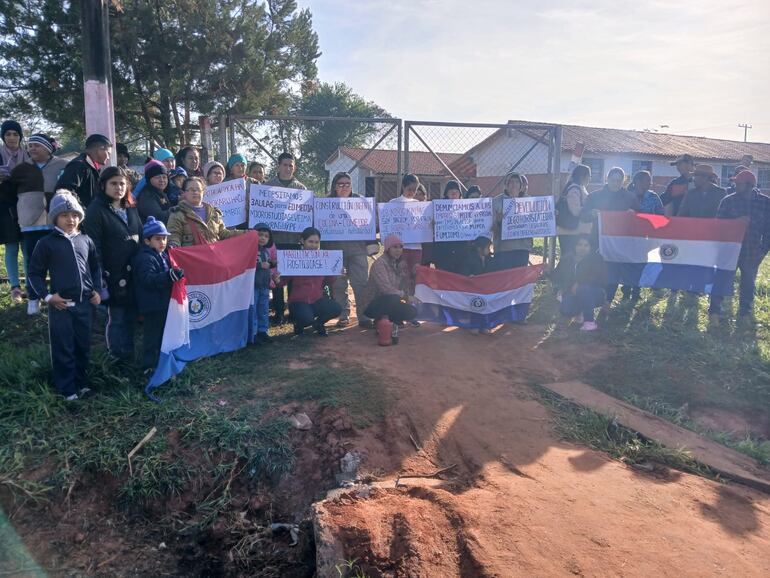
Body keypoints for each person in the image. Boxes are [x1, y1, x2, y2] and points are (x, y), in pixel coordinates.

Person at [28, 192, 102, 400]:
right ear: (55, 218)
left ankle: (82, 382)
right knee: (64, 347)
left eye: (74, 215)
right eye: (64, 215)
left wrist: (96, 289)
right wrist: (47, 296)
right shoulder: (46, 243)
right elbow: (34, 273)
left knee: (83, 345)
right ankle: (67, 389)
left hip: (84, 305)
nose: (70, 220)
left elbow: (95, 267)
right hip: (62, 306)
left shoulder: (86, 240)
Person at [82, 166, 142, 363]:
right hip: (112, 274)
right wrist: (100, 276)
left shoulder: (131, 208)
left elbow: (140, 235)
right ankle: (116, 358)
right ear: (103, 185)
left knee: (131, 316)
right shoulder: (95, 211)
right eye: (113, 183)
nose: (118, 188)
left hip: (133, 272)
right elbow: (94, 247)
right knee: (116, 318)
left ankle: (129, 357)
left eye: (122, 184)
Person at [13, 133, 68, 313]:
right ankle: (34, 298)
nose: (32, 149)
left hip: (55, 222)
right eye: (30, 146)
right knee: (32, 262)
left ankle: (57, 296)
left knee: (57, 260)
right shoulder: (22, 168)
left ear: (48, 148)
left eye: (36, 145)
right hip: (30, 223)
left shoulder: (63, 165)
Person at [707, 170, 770, 323]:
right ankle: (715, 311)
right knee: (721, 279)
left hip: (752, 251)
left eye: (738, 183)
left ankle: (745, 313)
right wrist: (736, 221)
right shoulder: (728, 201)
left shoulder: (765, 202)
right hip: (729, 251)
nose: (734, 185)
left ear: (749, 185)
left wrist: (763, 251)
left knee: (748, 283)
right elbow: (718, 225)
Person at [132, 216, 184, 373]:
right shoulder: (145, 258)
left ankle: (160, 363)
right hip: (152, 306)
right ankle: (148, 366)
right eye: (158, 239)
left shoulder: (164, 255)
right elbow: (147, 280)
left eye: (164, 239)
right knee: (151, 338)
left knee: (162, 335)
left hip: (162, 304)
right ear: (147, 241)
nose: (162, 242)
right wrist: (169, 276)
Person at [580, 167, 639, 304]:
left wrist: (633, 214)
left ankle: (608, 300)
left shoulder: (630, 197)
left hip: (619, 242)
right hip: (597, 240)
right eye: (613, 180)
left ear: (623, 181)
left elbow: (639, 218)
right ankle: (594, 299)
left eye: (619, 181)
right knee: (596, 269)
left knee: (614, 271)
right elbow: (583, 216)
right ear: (607, 179)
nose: (616, 183)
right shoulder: (595, 196)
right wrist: (591, 214)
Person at [323, 172, 372, 328]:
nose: (344, 187)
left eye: (347, 184)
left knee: (361, 283)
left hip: (358, 249)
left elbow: (369, 224)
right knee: (338, 284)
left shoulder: (360, 201)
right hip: (335, 250)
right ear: (334, 186)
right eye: (340, 184)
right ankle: (343, 315)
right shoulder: (326, 203)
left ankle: (364, 316)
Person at [266, 152, 307, 324]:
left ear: (294, 167)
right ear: (278, 166)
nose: (288, 168)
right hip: (275, 240)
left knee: (292, 279)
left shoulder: (302, 189)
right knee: (276, 277)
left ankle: (293, 311)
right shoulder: (266, 187)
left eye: (291, 165)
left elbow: (305, 214)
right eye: (285, 165)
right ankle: (278, 312)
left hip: (294, 240)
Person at [283, 227, 342, 336]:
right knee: (306, 319)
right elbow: (283, 282)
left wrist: (336, 272)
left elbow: (329, 280)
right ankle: (299, 323)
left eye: (316, 242)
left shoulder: (323, 259)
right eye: (310, 241)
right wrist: (277, 277)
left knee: (336, 309)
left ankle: (318, 323)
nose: (313, 245)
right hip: (298, 301)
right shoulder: (293, 259)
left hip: (317, 299)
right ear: (302, 241)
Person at [0, 120, 31, 304]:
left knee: (27, 247)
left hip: (26, 205)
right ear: (3, 137)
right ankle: (14, 287)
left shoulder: (27, 155)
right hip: (5, 207)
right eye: (8, 134)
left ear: (20, 137)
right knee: (11, 246)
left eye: (15, 134)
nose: (12, 138)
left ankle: (29, 285)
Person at [166, 177, 245, 246]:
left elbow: (223, 234)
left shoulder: (214, 213)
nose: (195, 192)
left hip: (214, 258)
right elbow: (174, 235)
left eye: (198, 189)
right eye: (191, 189)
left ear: (203, 192)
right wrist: (173, 245)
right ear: (184, 193)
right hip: (192, 260)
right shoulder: (177, 214)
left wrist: (247, 233)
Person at [551, 235, 607, 332]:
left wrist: (579, 283)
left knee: (584, 289)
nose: (582, 248)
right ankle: (580, 312)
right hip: (572, 292)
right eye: (579, 244)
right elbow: (557, 276)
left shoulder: (597, 258)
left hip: (595, 293)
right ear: (574, 246)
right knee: (567, 309)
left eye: (586, 245)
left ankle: (589, 322)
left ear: (590, 247)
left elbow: (599, 277)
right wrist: (547, 272)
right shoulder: (567, 259)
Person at [361, 234, 418, 326]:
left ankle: (395, 320)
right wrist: (406, 297)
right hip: (373, 304)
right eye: (394, 247)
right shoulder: (379, 264)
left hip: (393, 299)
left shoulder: (400, 263)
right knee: (393, 298)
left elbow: (405, 286)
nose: (398, 250)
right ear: (388, 249)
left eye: (400, 247)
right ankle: (380, 320)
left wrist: (408, 297)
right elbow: (386, 289)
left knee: (412, 311)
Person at [56, 133, 111, 208]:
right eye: (108, 153)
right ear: (100, 149)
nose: (108, 157)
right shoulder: (78, 165)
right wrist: (83, 211)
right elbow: (66, 190)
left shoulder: (93, 168)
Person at [492, 172, 533, 270]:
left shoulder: (529, 200)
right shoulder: (496, 201)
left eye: (517, 182)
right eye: (511, 182)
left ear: (521, 185)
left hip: (522, 247)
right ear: (506, 185)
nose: (514, 184)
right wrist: (497, 221)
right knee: (504, 280)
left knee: (519, 279)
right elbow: (491, 227)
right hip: (503, 249)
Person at [431, 180, 468, 273]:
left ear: (460, 194)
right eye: (451, 193)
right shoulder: (438, 208)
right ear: (446, 194)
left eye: (456, 192)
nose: (454, 195)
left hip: (461, 250)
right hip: (444, 250)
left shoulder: (466, 207)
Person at [556, 164, 591, 258]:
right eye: (588, 176)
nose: (589, 179)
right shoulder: (574, 189)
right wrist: (590, 211)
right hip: (569, 232)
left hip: (574, 231)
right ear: (582, 176)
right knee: (568, 259)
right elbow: (575, 211)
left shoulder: (580, 188)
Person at [252, 223, 278, 343]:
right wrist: (258, 265)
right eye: (260, 235)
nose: (263, 238)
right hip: (253, 286)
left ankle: (263, 331)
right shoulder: (249, 250)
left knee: (263, 309)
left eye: (266, 236)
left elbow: (268, 267)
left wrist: (274, 275)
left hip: (265, 286)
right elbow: (244, 265)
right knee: (253, 310)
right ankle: (253, 333)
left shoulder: (266, 252)